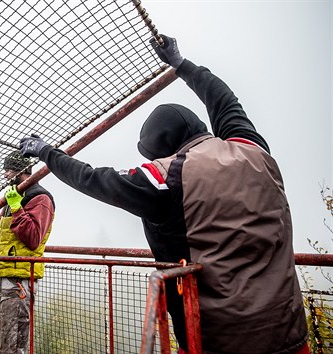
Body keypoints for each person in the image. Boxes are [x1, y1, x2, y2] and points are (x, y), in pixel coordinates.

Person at [19, 35, 308, 353]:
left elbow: (91, 179)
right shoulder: (251, 149)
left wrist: (48, 153)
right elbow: (224, 100)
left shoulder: (166, 177)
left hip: (216, 339)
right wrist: (181, 65)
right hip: (290, 331)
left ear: (161, 151)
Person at [0, 150, 55, 354]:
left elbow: (33, 238)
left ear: (21, 171)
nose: (5, 175)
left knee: (12, 344)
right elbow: (4, 235)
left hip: (19, 280)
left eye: (8, 170)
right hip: (2, 277)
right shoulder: (12, 197)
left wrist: (17, 207)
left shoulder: (40, 198)